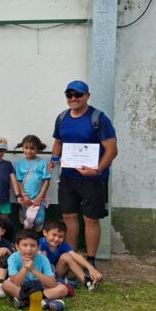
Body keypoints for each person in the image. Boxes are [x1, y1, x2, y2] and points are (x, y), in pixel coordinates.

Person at [48, 80, 118, 264]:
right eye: (69, 95)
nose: (73, 98)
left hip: (93, 179)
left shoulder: (98, 119)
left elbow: (112, 150)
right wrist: (54, 160)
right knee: (68, 216)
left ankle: (91, 260)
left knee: (91, 219)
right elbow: (58, 142)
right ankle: (72, 258)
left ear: (87, 96)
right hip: (68, 177)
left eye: (78, 95)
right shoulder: (62, 118)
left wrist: (96, 171)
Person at [3, 229, 69, 311]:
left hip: (39, 289)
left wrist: (33, 270)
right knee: (6, 284)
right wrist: (25, 268)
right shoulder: (12, 258)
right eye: (24, 245)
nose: (29, 249)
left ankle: (25, 301)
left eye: (33, 245)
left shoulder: (43, 259)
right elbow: (16, 283)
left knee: (63, 289)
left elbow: (52, 283)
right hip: (21, 288)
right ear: (17, 247)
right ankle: (41, 302)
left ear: (38, 247)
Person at [41, 219, 103, 291]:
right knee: (40, 255)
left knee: (67, 256)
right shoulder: (40, 243)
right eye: (54, 235)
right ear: (45, 232)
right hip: (43, 274)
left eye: (60, 236)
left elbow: (76, 255)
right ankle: (54, 282)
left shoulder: (63, 245)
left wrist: (91, 268)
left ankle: (87, 282)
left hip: (57, 272)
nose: (56, 239)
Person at [13, 135, 51, 231]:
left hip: (38, 198)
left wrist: (40, 196)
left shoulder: (42, 163)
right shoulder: (20, 163)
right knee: (26, 220)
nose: (29, 151)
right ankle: (26, 241)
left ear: (37, 149)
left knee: (39, 220)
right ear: (23, 148)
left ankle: (36, 240)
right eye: (26, 148)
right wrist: (24, 195)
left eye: (32, 148)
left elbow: (47, 180)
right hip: (25, 199)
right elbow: (19, 181)